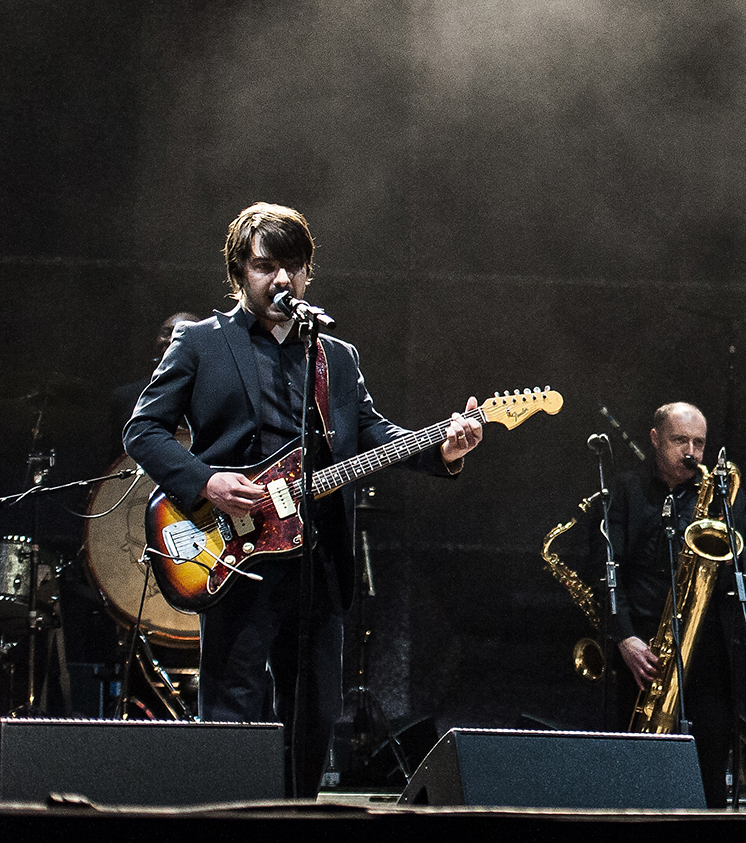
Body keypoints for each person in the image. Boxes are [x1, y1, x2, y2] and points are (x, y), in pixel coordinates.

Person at [124, 203, 482, 796]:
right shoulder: (200, 342)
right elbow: (143, 430)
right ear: (239, 272)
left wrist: (441, 448)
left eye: (294, 266)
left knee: (315, 711)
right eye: (266, 266)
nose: (282, 279)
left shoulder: (335, 356)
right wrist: (206, 482)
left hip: (317, 559)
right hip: (234, 551)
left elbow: (371, 433)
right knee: (233, 706)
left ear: (310, 273)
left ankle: (298, 816)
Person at [607, 400, 746, 807]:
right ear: (655, 439)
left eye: (699, 443)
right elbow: (606, 571)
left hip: (709, 659)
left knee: (708, 780)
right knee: (632, 780)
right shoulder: (626, 490)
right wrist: (624, 638)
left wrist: (729, 553)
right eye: (680, 441)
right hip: (644, 655)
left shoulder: (723, 495)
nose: (691, 452)